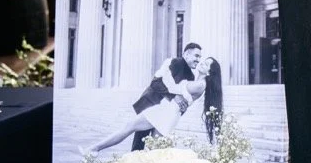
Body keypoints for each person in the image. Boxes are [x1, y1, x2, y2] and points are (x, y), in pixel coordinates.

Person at [92, 47, 223, 152]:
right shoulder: (197, 81)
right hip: (166, 112)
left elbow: (173, 87)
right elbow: (178, 94)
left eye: (206, 64)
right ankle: (96, 149)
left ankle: (95, 148)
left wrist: (164, 69)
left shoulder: (200, 85)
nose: (201, 62)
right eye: (202, 59)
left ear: (209, 72)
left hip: (165, 112)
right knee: (151, 148)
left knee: (132, 129)